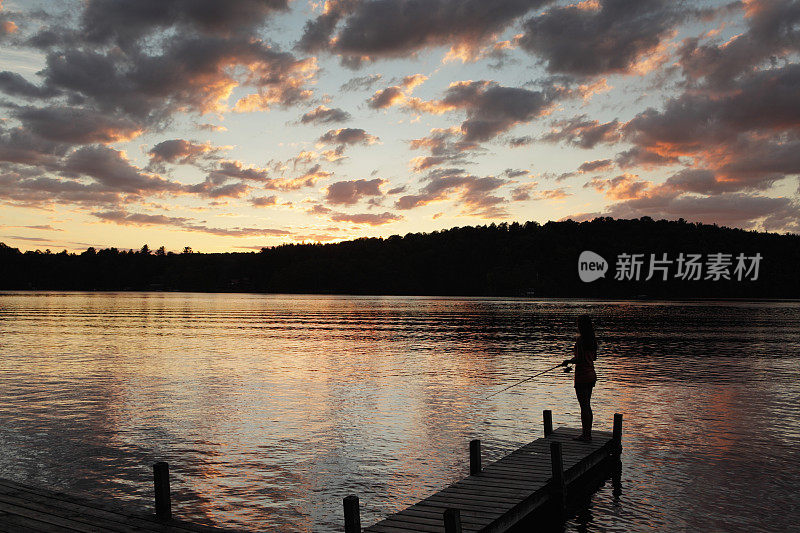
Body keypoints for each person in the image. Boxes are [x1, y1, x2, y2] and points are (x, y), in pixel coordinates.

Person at [562, 314, 597, 442]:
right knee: (587, 406)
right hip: (591, 374)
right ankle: (588, 434)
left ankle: (585, 435)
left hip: (582, 376)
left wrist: (568, 361)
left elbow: (580, 359)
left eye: (578, 324)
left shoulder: (581, 340)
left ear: (581, 326)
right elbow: (593, 358)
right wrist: (572, 362)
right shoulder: (592, 340)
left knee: (584, 406)